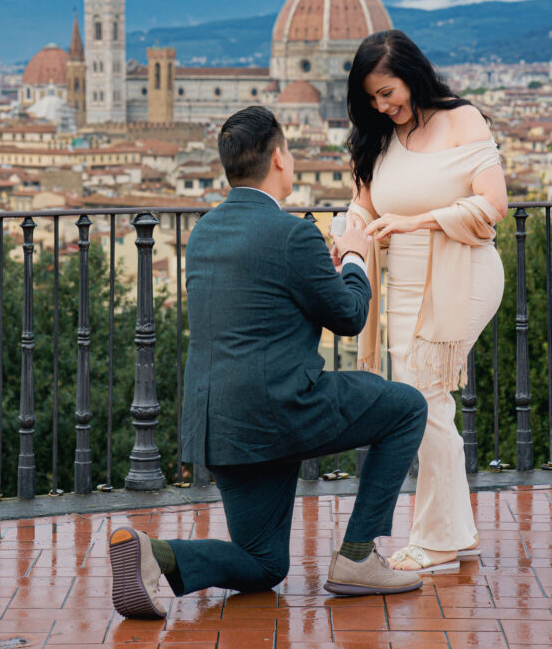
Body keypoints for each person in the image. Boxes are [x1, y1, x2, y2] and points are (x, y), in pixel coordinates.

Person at [109, 105, 428, 618]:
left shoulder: (205, 233)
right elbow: (349, 316)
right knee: (407, 406)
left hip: (221, 423)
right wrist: (352, 256)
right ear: (280, 157)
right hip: (283, 410)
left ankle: (157, 554)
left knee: (263, 565)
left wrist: (318, 273)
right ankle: (358, 556)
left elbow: (262, 303)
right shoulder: (295, 233)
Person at [343, 30, 507, 575]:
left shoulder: (462, 120)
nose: (382, 106)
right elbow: (363, 208)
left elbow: (493, 204)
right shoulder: (380, 139)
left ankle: (437, 541)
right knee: (428, 404)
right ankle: (453, 534)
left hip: (464, 274)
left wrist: (418, 221)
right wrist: (347, 234)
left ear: (412, 75)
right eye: (371, 98)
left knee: (424, 397)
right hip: (406, 285)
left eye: (387, 92)